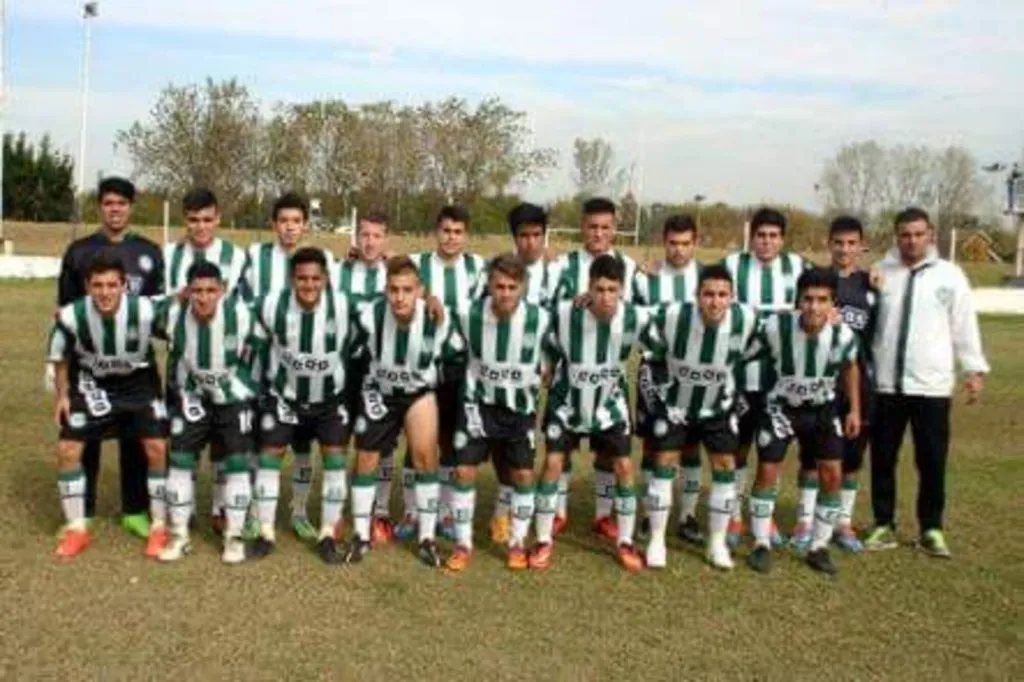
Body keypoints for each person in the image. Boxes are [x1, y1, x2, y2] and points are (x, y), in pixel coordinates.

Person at [865, 207, 989, 557]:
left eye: (918, 234)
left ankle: (931, 528)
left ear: (931, 234)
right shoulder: (881, 272)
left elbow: (964, 324)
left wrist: (974, 369)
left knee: (931, 461)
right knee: (883, 459)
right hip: (887, 385)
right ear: (896, 236)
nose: (912, 240)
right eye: (905, 234)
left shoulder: (949, 276)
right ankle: (883, 524)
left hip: (931, 387)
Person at [55, 176, 163, 540]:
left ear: (131, 207)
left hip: (134, 366)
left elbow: (158, 314)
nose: (115, 209)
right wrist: (61, 382)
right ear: (99, 207)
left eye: (121, 203)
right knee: (85, 438)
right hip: (90, 367)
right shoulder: (79, 251)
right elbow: (66, 312)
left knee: (137, 439)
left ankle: (134, 510)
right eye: (108, 203)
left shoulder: (149, 251)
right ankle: (81, 514)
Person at [47, 249, 169, 559]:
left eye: (111, 285)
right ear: (87, 286)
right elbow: (59, 358)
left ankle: (158, 526)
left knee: (156, 447)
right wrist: (62, 395)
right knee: (68, 450)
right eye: (98, 285)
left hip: (137, 383)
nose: (105, 292)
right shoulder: (71, 315)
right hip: (93, 385)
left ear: (124, 285)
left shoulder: (144, 310)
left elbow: (180, 315)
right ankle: (77, 528)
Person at [637, 264, 759, 570]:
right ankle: (656, 541)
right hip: (676, 406)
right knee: (663, 463)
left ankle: (716, 544)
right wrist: (664, 394)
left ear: (732, 297)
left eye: (722, 295)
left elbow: (773, 339)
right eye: (708, 294)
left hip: (717, 408)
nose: (715, 302)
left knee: (725, 467)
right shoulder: (672, 317)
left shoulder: (747, 319)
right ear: (697, 295)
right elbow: (650, 354)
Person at [533, 255, 648, 572]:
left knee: (624, 467)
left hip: (609, 408)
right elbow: (547, 344)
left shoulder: (635, 318)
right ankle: (543, 539)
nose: (606, 297)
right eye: (599, 289)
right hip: (567, 403)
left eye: (613, 289)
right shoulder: (565, 313)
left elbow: (665, 332)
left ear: (622, 290)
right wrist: (545, 367)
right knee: (552, 463)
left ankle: (625, 541)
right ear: (589, 287)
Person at [745, 267, 861, 575]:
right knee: (767, 470)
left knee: (832, 475)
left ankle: (819, 547)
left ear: (832, 303)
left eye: (822, 300)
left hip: (822, 410)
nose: (813, 306)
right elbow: (744, 353)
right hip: (780, 408)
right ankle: (760, 543)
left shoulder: (842, 334)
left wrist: (854, 410)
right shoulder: (776, 327)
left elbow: (851, 367)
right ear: (798, 300)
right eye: (807, 299)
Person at [343, 256, 455, 569]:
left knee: (425, 457)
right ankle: (361, 534)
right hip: (379, 392)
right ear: (385, 290)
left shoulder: (437, 318)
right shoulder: (369, 315)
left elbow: (457, 355)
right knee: (366, 457)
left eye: (407, 289)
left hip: (418, 394)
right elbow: (338, 302)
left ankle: (427, 537)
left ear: (420, 290)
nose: (400, 297)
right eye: (393, 290)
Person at [442, 254, 552, 572]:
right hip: (478, 406)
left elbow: (558, 347)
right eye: (499, 286)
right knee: (464, 471)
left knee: (522, 476)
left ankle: (516, 542)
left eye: (512, 287)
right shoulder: (468, 314)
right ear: (489, 284)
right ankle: (463, 544)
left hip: (519, 411)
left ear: (523, 288)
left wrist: (545, 366)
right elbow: (447, 340)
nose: (504, 293)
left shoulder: (540, 318)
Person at [247, 247, 356, 564]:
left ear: (325, 279)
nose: (309, 285)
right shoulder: (271, 304)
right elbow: (241, 321)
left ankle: (326, 534)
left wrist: (428, 301)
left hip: (329, 400)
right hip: (285, 398)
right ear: (292, 279)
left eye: (315, 279)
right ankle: (265, 532)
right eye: (302, 279)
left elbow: (384, 311)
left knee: (335, 461)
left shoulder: (344, 305)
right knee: (271, 457)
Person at [243, 192, 333, 541]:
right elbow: (241, 303)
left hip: (304, 373)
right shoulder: (255, 257)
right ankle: (254, 512)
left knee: (302, 447)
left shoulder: (321, 261)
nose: (290, 228)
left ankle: (298, 511)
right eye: (284, 221)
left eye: (296, 222)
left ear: (305, 225)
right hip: (262, 369)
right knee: (262, 444)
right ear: (273, 224)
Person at [156, 261, 259, 564]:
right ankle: (179, 536)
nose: (203, 298)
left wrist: (250, 388)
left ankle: (234, 537)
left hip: (233, 398)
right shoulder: (172, 315)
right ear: (187, 292)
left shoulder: (240, 316)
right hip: (192, 398)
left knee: (237, 464)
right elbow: (135, 311)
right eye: (197, 291)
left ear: (222, 290)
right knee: (179, 462)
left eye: (211, 291)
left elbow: (264, 350)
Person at [548, 197, 638, 539]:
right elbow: (546, 308)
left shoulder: (628, 266)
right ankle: (557, 511)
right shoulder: (564, 264)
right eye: (592, 226)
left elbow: (639, 311)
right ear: (582, 227)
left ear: (614, 228)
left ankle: (603, 515)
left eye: (605, 227)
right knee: (562, 449)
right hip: (570, 373)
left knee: (608, 450)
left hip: (608, 373)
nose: (598, 233)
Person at [723, 207, 810, 548]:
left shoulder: (798, 268)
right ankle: (733, 516)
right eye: (761, 235)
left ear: (783, 239)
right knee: (738, 448)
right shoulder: (733, 266)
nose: (767, 242)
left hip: (780, 382)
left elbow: (825, 292)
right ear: (751, 236)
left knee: (771, 454)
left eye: (774, 236)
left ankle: (765, 516)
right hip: (741, 378)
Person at [790, 216, 876, 553]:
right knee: (812, 458)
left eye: (852, 243)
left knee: (852, 459)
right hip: (820, 382)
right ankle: (804, 521)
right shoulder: (817, 282)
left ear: (861, 245)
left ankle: (843, 522)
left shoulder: (871, 284)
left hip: (858, 383)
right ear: (829, 243)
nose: (845, 249)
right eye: (838, 242)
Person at [401, 206, 487, 542]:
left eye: (457, 231)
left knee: (452, 440)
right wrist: (424, 294)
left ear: (466, 235)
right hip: (422, 366)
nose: (451, 237)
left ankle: (448, 513)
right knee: (418, 441)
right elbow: (392, 277)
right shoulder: (419, 264)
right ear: (436, 231)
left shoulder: (477, 267)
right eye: (446, 230)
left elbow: (503, 286)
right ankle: (412, 511)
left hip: (460, 367)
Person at [482, 202, 554, 547]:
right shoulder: (497, 271)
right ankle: (503, 508)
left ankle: (541, 512)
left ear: (545, 236)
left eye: (536, 235)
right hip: (496, 375)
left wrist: (549, 361)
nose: (530, 243)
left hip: (538, 373)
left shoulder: (558, 272)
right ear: (514, 238)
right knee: (500, 447)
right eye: (523, 236)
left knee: (531, 447)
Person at [632, 214, 704, 545]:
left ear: (695, 242)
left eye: (685, 243)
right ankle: (649, 513)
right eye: (673, 243)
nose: (678, 250)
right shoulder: (645, 280)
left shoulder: (707, 279)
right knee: (654, 444)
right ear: (664, 242)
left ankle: (687, 515)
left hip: (697, 373)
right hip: (655, 370)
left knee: (690, 446)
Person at [335, 211, 392, 544]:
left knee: (379, 444)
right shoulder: (339, 270)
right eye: (364, 235)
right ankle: (339, 509)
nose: (369, 242)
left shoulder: (394, 273)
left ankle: (378, 511)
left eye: (376, 235)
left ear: (386, 239)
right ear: (356, 238)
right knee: (338, 443)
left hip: (379, 371)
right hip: (343, 369)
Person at [164, 188, 249, 298]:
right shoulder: (168, 255)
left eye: (207, 220)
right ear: (185, 220)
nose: (201, 227)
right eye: (194, 220)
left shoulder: (236, 256)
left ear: (217, 219)